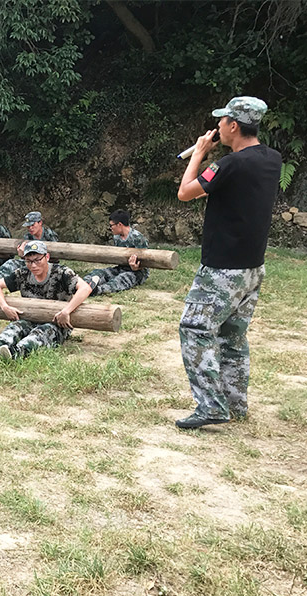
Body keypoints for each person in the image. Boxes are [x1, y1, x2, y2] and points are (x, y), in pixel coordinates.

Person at [174, 96, 281, 429]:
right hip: (253, 267)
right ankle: (235, 404)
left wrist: (200, 153)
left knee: (195, 328)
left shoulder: (229, 164)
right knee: (232, 337)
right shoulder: (272, 159)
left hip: (223, 268)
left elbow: (185, 192)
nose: (217, 126)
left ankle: (210, 406)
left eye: (221, 121)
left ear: (233, 126)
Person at [0, 241, 93, 361]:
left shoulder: (62, 272)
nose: (33, 265)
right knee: (16, 326)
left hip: (57, 323)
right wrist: (4, 306)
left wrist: (66, 311)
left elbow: (85, 288)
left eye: (37, 260)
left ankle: (17, 352)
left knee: (42, 332)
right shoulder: (23, 273)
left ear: (47, 257)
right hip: (30, 318)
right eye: (28, 261)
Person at [81, 209, 149, 296]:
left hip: (137, 272)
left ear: (119, 224)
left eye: (111, 225)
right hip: (121, 268)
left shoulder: (137, 238)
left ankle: (97, 290)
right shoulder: (116, 237)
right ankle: (83, 285)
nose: (110, 228)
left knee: (120, 280)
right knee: (99, 272)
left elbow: (146, 261)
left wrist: (136, 268)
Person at [0, 211, 59, 284]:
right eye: (28, 226)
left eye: (32, 225)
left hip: (47, 264)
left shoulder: (50, 235)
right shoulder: (27, 236)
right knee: (12, 262)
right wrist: (22, 255)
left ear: (40, 223)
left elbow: (56, 257)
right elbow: (27, 257)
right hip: (33, 263)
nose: (30, 228)